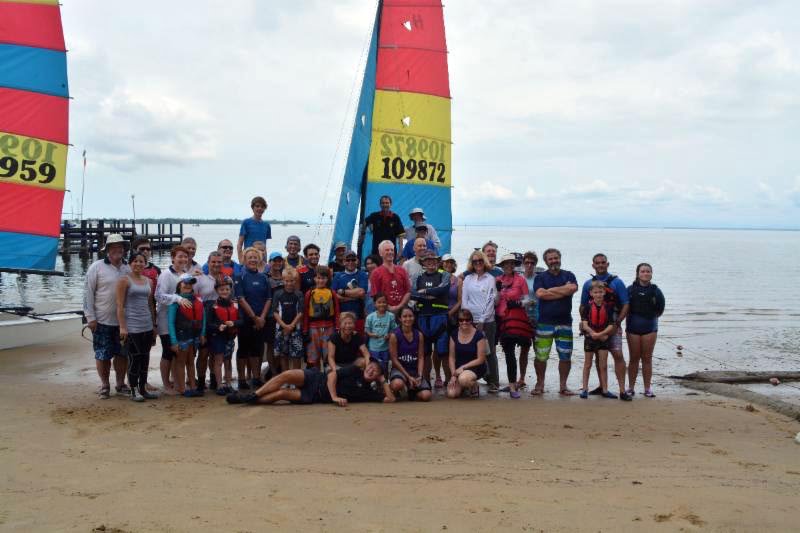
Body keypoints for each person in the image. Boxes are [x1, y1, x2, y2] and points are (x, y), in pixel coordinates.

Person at [226, 358, 395, 406]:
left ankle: (248, 400)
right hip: (316, 378)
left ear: (376, 377)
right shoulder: (354, 370)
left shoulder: (368, 392)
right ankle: (253, 394)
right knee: (286, 375)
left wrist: (383, 379)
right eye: (371, 366)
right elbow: (332, 375)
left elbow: (390, 399)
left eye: (376, 371)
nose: (371, 370)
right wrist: (335, 396)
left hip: (315, 396)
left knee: (282, 394)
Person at [84, 234, 132, 399]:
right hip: (101, 320)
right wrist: (90, 317)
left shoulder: (129, 268)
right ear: (107, 250)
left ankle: (120, 383)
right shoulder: (96, 267)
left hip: (124, 322)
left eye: (120, 247)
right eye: (114, 247)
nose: (118, 250)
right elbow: (88, 293)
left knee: (122, 354)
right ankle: (105, 384)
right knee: (102, 354)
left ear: (124, 249)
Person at [579, 253, 630, 397]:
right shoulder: (588, 284)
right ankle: (602, 387)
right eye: (597, 263)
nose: (600, 265)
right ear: (593, 265)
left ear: (607, 264)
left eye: (603, 262)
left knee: (618, 355)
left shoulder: (617, 282)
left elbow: (626, 304)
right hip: (593, 328)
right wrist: (582, 323)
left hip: (612, 325)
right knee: (598, 357)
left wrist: (617, 323)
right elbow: (583, 306)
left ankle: (622, 390)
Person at [533, 248, 579, 396]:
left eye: (556, 258)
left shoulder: (569, 275)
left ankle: (563, 386)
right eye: (550, 259)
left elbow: (572, 288)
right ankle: (540, 384)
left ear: (560, 258)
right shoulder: (540, 277)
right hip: (544, 323)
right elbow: (540, 294)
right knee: (541, 356)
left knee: (565, 356)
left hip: (565, 322)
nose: (554, 261)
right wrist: (562, 290)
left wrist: (550, 291)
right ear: (546, 262)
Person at [115, 251, 157, 402]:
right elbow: (119, 305)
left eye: (141, 261)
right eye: (135, 261)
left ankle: (143, 388)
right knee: (134, 358)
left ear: (145, 264)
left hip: (146, 324)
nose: (138, 264)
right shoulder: (124, 280)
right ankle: (133, 390)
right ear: (130, 263)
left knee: (145, 358)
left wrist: (154, 324)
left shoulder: (149, 281)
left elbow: (150, 304)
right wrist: (122, 327)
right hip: (132, 326)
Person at [155, 245, 192, 394]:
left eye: (185, 256)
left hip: (181, 321)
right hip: (165, 319)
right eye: (180, 256)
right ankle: (165, 384)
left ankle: (177, 382)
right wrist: (176, 298)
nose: (183, 259)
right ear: (173, 258)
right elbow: (158, 296)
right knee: (168, 352)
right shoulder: (165, 275)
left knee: (179, 352)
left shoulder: (185, 274)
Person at [461, 249, 499, 393]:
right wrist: (467, 319)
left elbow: (491, 300)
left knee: (489, 351)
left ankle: (493, 381)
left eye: (480, 261)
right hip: (470, 320)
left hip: (487, 321)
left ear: (485, 262)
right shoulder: (468, 279)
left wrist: (482, 320)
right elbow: (464, 299)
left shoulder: (490, 278)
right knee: (471, 351)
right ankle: (471, 382)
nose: (478, 263)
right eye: (475, 261)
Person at [496, 253, 533, 398]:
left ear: (515, 265)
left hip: (518, 319)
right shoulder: (497, 279)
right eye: (506, 264)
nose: (509, 266)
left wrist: (517, 303)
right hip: (503, 319)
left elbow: (528, 300)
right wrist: (498, 291)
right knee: (509, 353)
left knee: (524, 349)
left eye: (511, 263)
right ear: (502, 266)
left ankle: (521, 379)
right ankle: (512, 386)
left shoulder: (520, 279)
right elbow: (495, 302)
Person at [235, 247, 272, 390]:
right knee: (243, 350)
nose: (252, 260)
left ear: (259, 259)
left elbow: (268, 298)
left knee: (257, 349)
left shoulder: (263, 277)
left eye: (255, 257)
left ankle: (256, 378)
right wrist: (254, 317)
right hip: (245, 319)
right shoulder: (240, 276)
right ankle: (242, 379)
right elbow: (241, 299)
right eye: (249, 257)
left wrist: (261, 318)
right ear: (244, 259)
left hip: (261, 320)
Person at [626, 263, 665, 398]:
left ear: (651, 274)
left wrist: (649, 319)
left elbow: (660, 309)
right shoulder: (630, 289)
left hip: (650, 329)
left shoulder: (656, 291)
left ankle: (647, 388)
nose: (646, 273)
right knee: (634, 358)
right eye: (643, 271)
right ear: (638, 274)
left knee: (647, 359)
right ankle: (630, 388)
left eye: (648, 271)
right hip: (632, 329)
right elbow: (624, 307)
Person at [410, 250, 450, 382]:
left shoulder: (444, 275)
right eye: (428, 260)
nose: (431, 263)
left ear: (438, 262)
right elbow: (412, 293)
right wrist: (433, 295)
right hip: (423, 319)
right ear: (423, 263)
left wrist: (425, 292)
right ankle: (426, 382)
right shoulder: (417, 276)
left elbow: (443, 289)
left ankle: (449, 381)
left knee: (443, 352)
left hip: (440, 318)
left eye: (434, 260)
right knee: (425, 353)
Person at [167, 274, 205, 397]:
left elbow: (203, 318)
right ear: (179, 285)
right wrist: (173, 341)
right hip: (181, 336)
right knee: (180, 361)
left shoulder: (198, 300)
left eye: (190, 283)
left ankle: (193, 386)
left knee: (191, 361)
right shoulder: (175, 302)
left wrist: (203, 334)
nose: (188, 285)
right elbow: (171, 323)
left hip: (194, 335)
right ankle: (182, 388)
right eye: (185, 283)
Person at [206, 276, 242, 395]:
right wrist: (218, 327)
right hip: (217, 337)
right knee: (219, 361)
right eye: (221, 290)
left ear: (230, 290)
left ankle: (228, 383)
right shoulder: (213, 305)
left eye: (227, 289)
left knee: (228, 360)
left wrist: (234, 323)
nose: (224, 292)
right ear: (217, 291)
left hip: (230, 337)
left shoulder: (235, 304)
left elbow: (242, 320)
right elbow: (208, 324)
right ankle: (219, 385)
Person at [195, 251, 224, 391]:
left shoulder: (226, 279)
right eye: (213, 262)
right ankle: (200, 381)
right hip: (204, 320)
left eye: (219, 262)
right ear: (208, 262)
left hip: (219, 321)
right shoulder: (201, 278)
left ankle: (213, 379)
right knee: (203, 353)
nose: (216, 264)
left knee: (216, 352)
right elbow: (193, 298)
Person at [389, 308, 432, 401]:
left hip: (414, 370)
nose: (408, 319)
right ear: (400, 318)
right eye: (404, 316)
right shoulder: (394, 335)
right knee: (397, 384)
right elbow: (394, 360)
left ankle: (410, 391)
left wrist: (420, 375)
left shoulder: (419, 335)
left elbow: (421, 357)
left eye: (410, 316)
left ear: (414, 317)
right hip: (400, 370)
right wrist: (408, 377)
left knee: (426, 395)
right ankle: (399, 388)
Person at [302, 266, 339, 370]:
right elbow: (305, 313)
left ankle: (327, 381)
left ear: (327, 279)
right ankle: (315, 381)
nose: (321, 280)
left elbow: (336, 312)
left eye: (323, 278)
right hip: (313, 329)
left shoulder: (332, 293)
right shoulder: (309, 293)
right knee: (313, 359)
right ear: (314, 278)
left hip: (329, 328)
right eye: (318, 278)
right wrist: (305, 331)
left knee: (329, 357)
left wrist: (337, 328)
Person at [446, 309, 488, 398]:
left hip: (475, 367)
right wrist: (453, 374)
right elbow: (451, 357)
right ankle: (464, 386)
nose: (464, 322)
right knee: (452, 394)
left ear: (471, 320)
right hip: (459, 370)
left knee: (464, 379)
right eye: (461, 320)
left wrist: (463, 367)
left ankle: (474, 385)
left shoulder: (479, 335)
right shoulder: (454, 334)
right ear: (458, 321)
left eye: (467, 320)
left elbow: (481, 359)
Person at [435, 254, 461, 387]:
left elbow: (460, 300)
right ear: (441, 264)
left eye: (451, 262)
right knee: (438, 348)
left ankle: (449, 376)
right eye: (446, 262)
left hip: (452, 317)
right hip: (438, 315)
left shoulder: (457, 280)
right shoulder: (437, 277)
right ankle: (438, 376)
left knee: (450, 348)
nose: (448, 265)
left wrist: (450, 313)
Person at [272, 267, 304, 374]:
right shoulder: (278, 294)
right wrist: (284, 326)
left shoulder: (299, 294)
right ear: (283, 280)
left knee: (296, 356)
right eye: (286, 281)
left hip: (296, 329)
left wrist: (291, 326)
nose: (289, 283)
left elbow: (300, 312)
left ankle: (296, 380)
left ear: (295, 281)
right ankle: (285, 379)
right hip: (281, 328)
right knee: (283, 355)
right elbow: (275, 312)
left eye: (292, 281)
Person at [520, 251, 544, 390]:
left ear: (535, 265)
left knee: (539, 350)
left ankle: (539, 381)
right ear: (523, 264)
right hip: (523, 317)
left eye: (532, 263)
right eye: (527, 262)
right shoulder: (519, 278)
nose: (529, 265)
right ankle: (522, 378)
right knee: (524, 349)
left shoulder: (539, 279)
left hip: (538, 317)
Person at [369, 240, 410, 315]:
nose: (390, 252)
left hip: (402, 312)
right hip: (384, 313)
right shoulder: (376, 273)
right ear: (380, 253)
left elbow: (407, 291)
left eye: (392, 250)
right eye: (387, 250)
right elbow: (375, 295)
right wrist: (389, 308)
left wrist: (399, 306)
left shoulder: (402, 270)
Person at [332, 249, 368, 334]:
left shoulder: (362, 274)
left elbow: (362, 292)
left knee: (358, 342)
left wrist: (343, 292)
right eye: (348, 260)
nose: (350, 262)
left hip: (359, 315)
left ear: (357, 261)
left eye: (353, 259)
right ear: (344, 262)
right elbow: (334, 296)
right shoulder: (338, 276)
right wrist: (355, 296)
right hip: (342, 316)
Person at [264, 251, 286, 378]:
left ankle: (279, 372)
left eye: (279, 260)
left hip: (284, 317)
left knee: (282, 346)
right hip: (270, 317)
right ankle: (272, 372)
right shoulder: (265, 278)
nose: (277, 263)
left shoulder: (285, 276)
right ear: (269, 262)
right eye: (274, 261)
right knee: (271, 346)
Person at [364, 293, 397, 371]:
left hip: (386, 348)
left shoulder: (391, 316)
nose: (382, 304)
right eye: (379, 302)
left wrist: (389, 335)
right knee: (374, 367)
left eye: (384, 302)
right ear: (375, 304)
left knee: (384, 367)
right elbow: (366, 330)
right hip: (373, 348)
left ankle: (384, 381)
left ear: (387, 303)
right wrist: (371, 334)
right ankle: (375, 382)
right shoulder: (370, 317)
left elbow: (394, 330)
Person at [237, 196, 271, 263]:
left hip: (261, 260)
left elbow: (264, 245)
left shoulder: (267, 225)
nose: (259, 208)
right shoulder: (246, 222)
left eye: (262, 206)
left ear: (264, 208)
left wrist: (265, 262)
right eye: (257, 206)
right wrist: (240, 260)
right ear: (252, 208)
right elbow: (239, 244)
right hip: (248, 259)